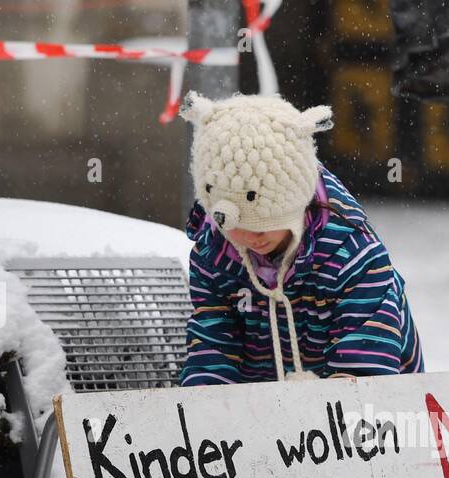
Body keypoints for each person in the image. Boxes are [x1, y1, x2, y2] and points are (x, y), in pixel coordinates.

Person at [177, 93, 423, 385]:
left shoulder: (353, 256)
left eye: (264, 223)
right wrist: (210, 414)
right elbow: (213, 348)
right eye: (233, 224)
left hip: (373, 409)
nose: (248, 237)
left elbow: (366, 371)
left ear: (296, 203)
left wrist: (313, 407)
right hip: (260, 410)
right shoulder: (212, 255)